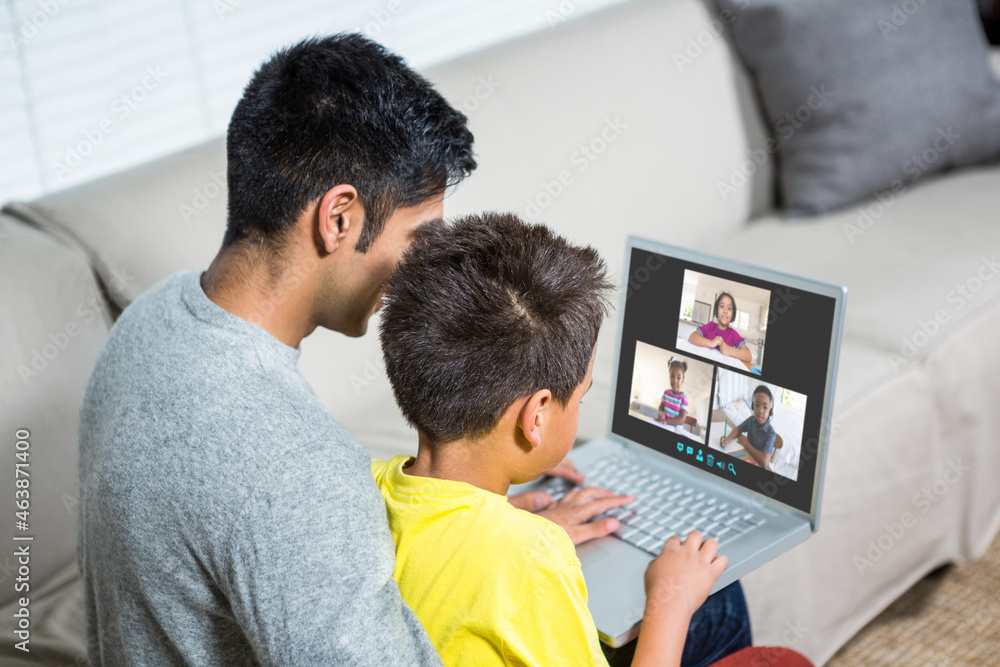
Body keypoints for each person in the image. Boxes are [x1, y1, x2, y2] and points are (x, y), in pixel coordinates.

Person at [76, 34, 617, 666]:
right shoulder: (295, 469)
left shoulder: (150, 319)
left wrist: (486, 543)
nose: (427, 267)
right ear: (339, 218)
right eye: (420, 235)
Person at [372, 212, 750, 666]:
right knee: (722, 602)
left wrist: (509, 525)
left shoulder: (370, 486)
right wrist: (669, 603)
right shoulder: (534, 562)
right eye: (581, 397)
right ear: (536, 418)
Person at [720, 385, 777, 469]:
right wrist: (728, 439)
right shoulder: (751, 420)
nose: (760, 410)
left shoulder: (771, 433)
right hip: (747, 457)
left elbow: (765, 462)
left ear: (770, 411)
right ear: (753, 406)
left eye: (765, 407)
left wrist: (747, 444)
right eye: (757, 405)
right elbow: (738, 429)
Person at [688, 292, 751, 363]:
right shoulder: (710, 326)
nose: (725, 311)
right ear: (716, 310)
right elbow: (692, 337)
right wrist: (711, 343)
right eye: (722, 306)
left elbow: (748, 355)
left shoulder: (733, 334)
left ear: (733, 314)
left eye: (729, 308)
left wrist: (728, 350)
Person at [657, 357, 689, 427]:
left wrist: (666, 421)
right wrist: (660, 413)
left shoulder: (683, 398)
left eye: (678, 378)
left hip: (676, 430)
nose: (674, 381)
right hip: (664, 426)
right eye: (672, 376)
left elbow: (682, 419)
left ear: (682, 381)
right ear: (669, 377)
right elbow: (660, 408)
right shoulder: (666, 393)